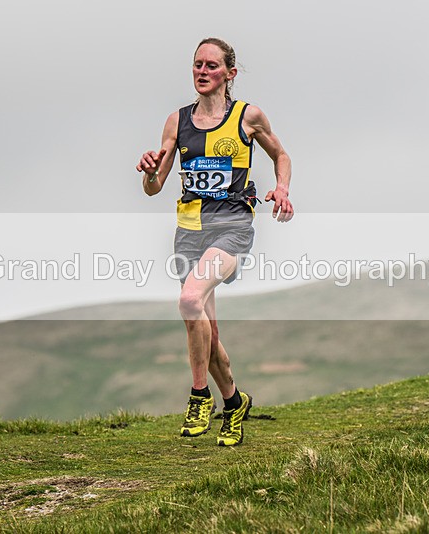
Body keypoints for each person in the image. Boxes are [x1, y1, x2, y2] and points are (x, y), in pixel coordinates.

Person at [136, 37, 293, 446]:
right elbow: (154, 187)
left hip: (232, 228)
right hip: (189, 233)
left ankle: (199, 395)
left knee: (189, 302)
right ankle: (234, 401)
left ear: (230, 74)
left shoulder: (247, 116)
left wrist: (282, 189)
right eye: (196, 65)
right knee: (209, 333)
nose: (202, 72)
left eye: (211, 65)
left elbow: (281, 155)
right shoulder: (177, 122)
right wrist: (151, 171)